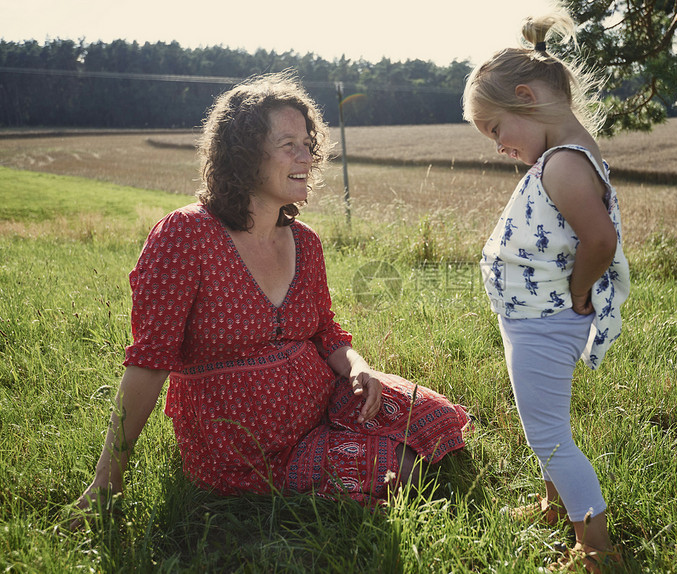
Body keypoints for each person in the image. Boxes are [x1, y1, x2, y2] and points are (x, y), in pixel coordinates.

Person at [74, 71, 472, 519]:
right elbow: (149, 361)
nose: (307, 156)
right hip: (244, 446)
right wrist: (108, 477)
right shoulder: (186, 234)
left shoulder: (305, 241)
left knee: (432, 417)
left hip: (322, 400)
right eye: (290, 145)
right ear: (244, 155)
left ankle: (344, 439)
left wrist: (358, 367)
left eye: (308, 143)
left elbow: (325, 332)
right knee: (401, 472)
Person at [462, 10, 630, 573]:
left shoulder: (562, 166)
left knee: (549, 433)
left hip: (547, 321)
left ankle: (596, 548)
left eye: (496, 130)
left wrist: (581, 293)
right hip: (533, 318)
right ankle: (552, 505)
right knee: (542, 424)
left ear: (527, 97)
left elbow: (599, 241)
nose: (498, 146)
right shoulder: (562, 157)